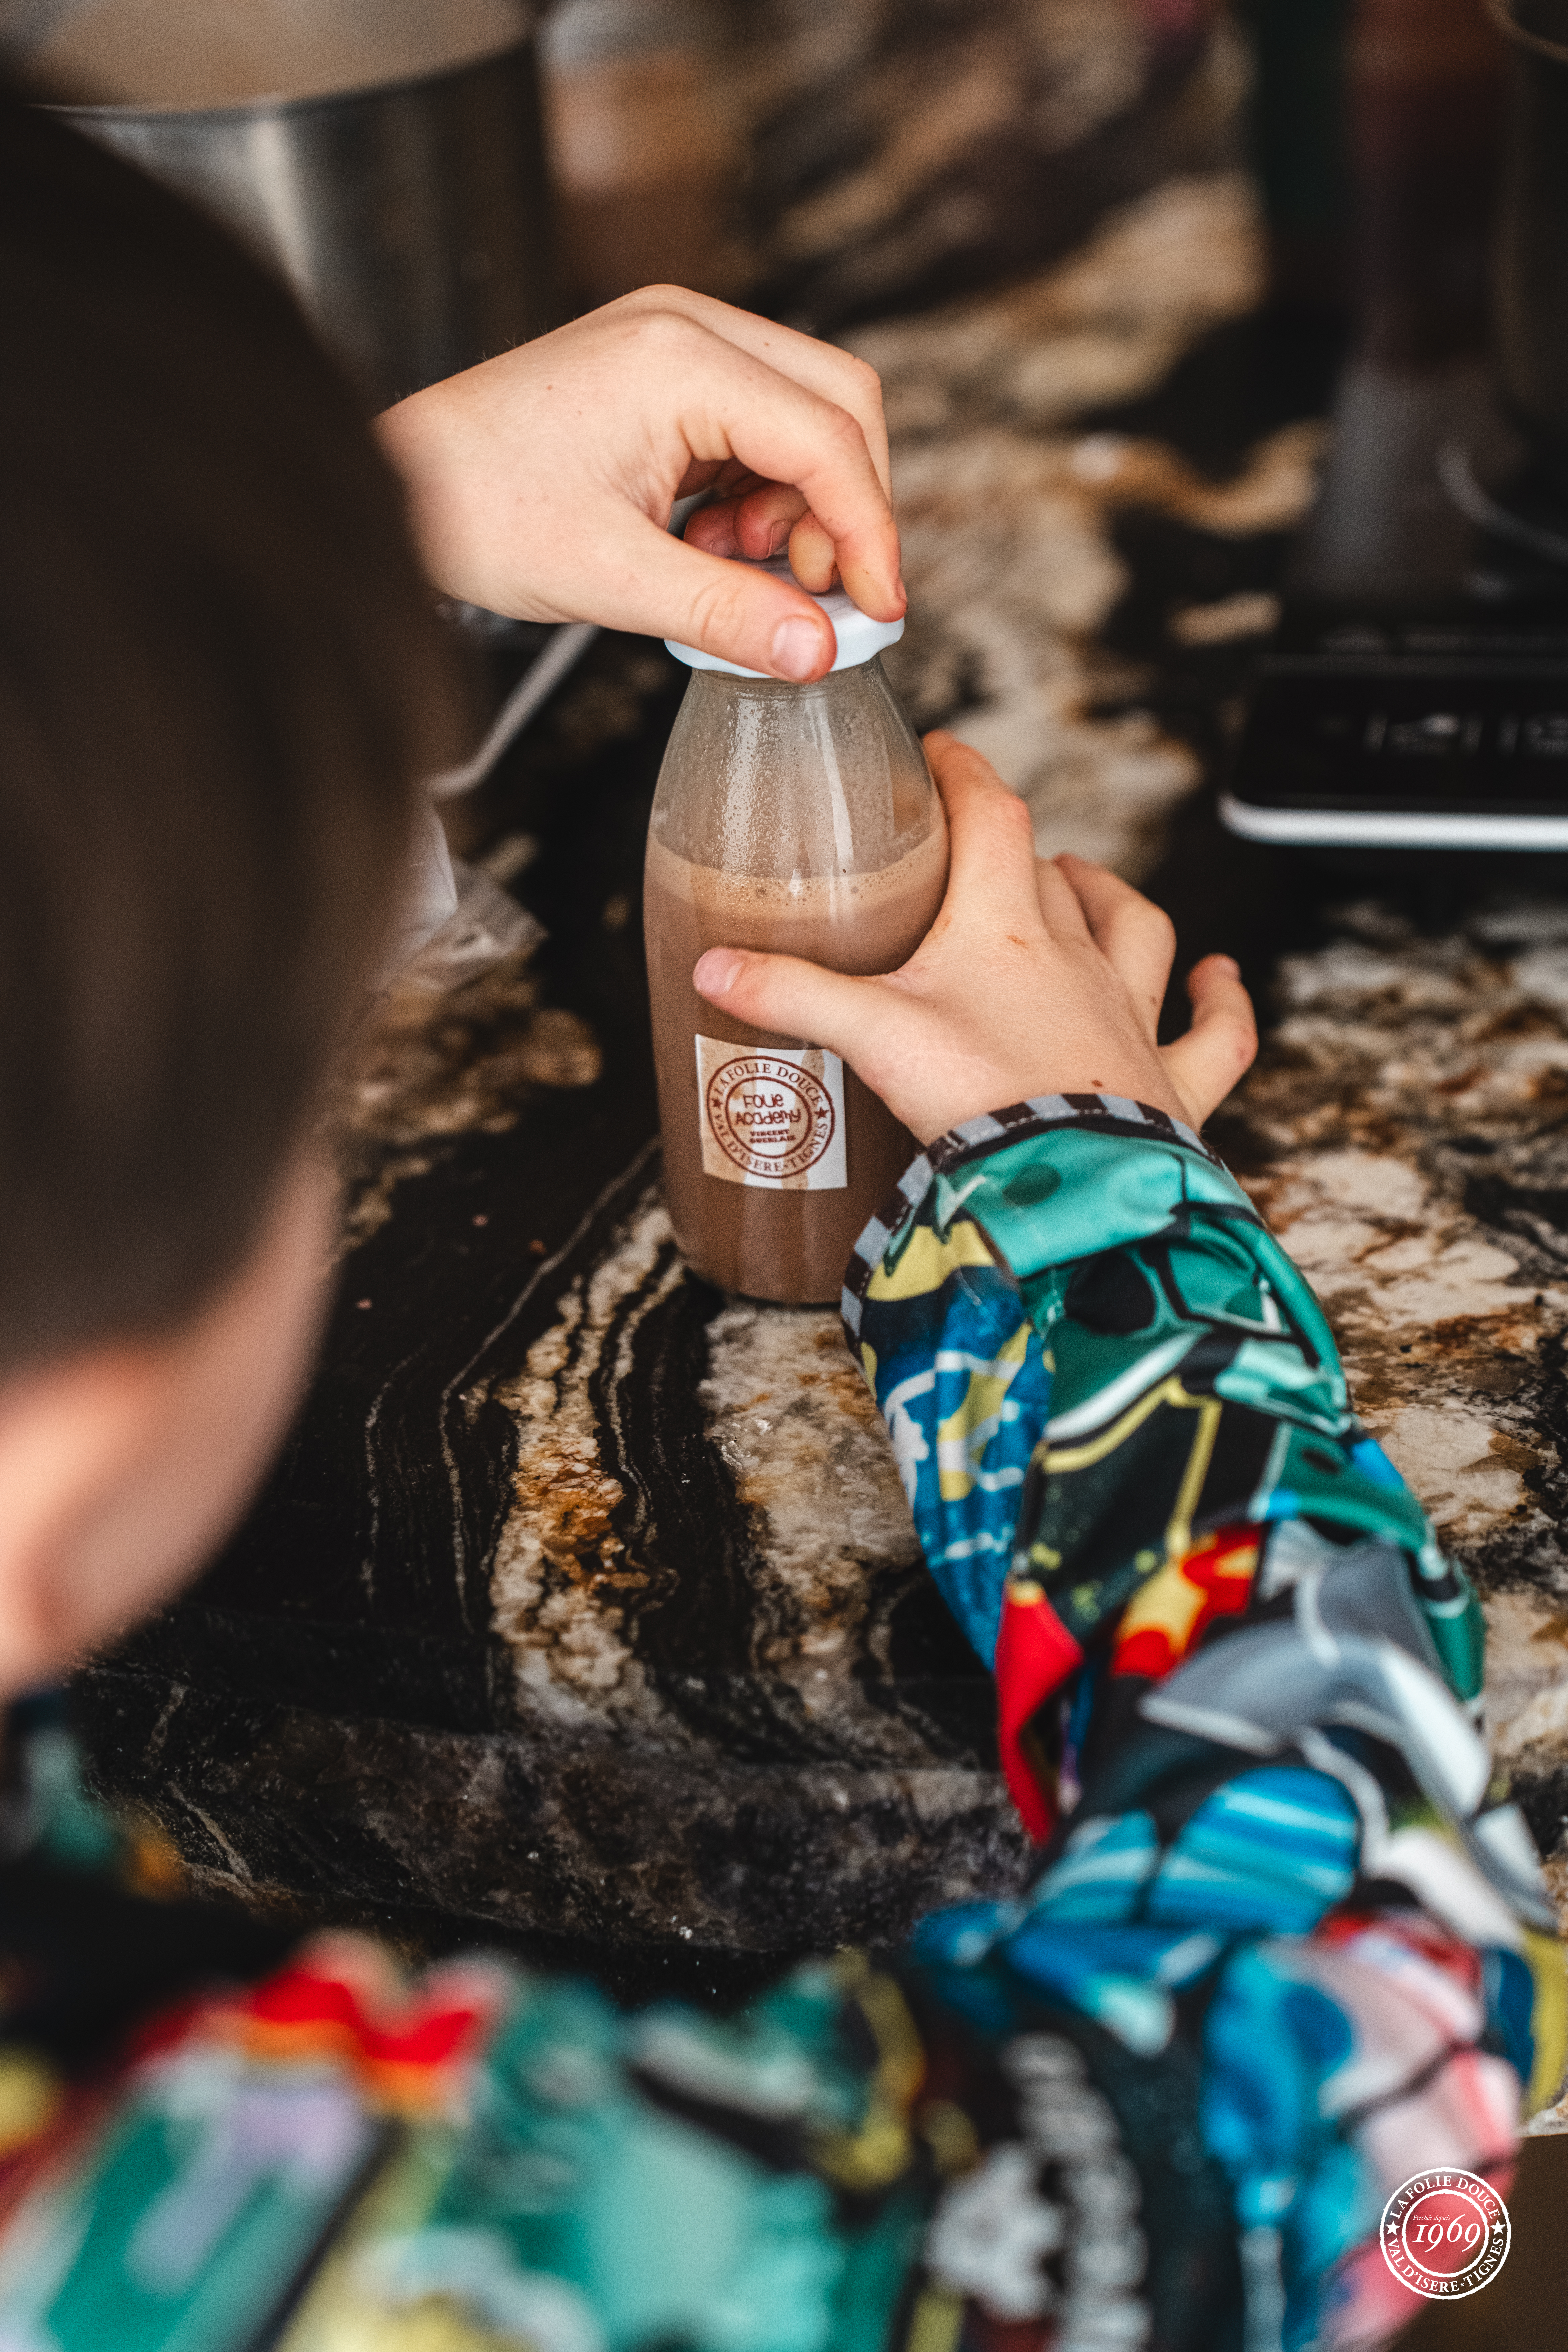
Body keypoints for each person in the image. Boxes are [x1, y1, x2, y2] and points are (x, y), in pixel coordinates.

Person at [0, 88, 1557, 2352]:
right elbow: (1339, 2040)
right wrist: (1095, 1202)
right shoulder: (262, 2207)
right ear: (97, 1387)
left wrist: (303, 545)